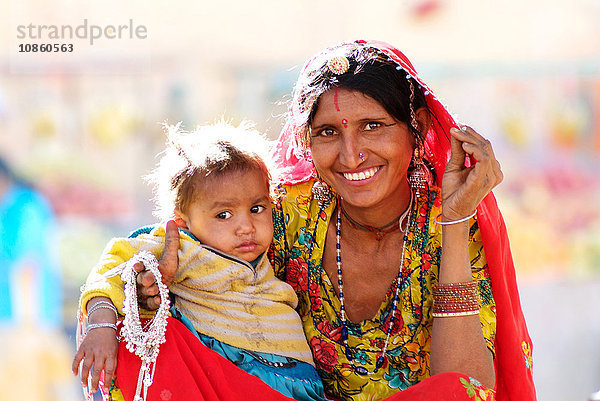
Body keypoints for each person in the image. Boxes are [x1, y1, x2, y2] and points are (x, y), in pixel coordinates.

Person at [134, 40, 537, 400]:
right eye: (328, 132)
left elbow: (465, 386)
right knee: (141, 335)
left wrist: (454, 220)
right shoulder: (283, 214)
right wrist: (150, 284)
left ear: (419, 127)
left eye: (373, 127)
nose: (350, 155)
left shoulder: (448, 221)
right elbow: (162, 246)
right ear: (304, 141)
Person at [72, 122, 326, 401]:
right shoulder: (180, 246)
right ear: (183, 219)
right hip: (225, 372)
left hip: (297, 380)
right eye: (224, 215)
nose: (246, 227)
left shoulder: (282, 243)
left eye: (256, 208)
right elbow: (114, 265)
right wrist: (101, 325)